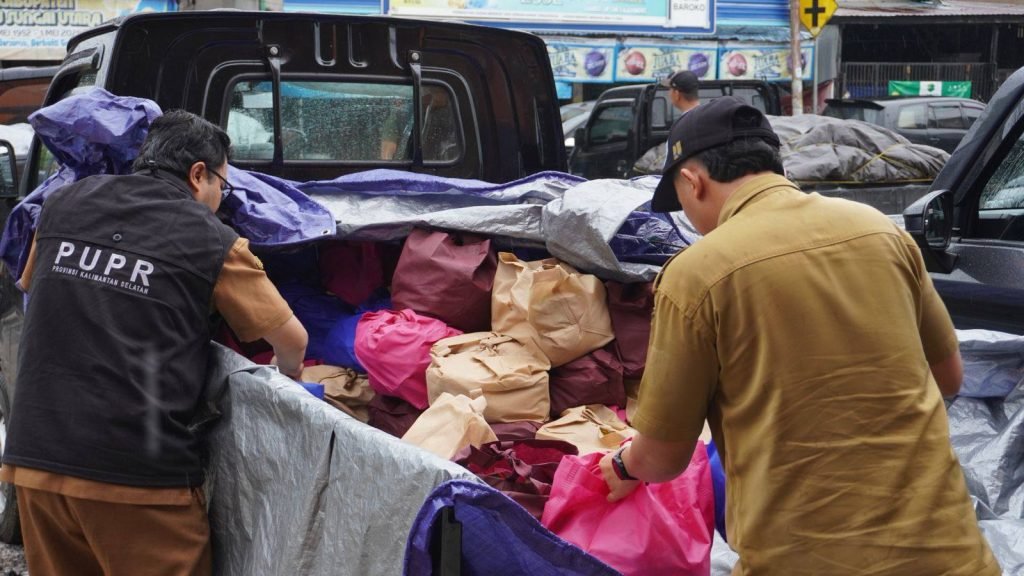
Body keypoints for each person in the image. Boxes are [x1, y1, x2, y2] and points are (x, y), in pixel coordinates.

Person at [600, 96, 999, 575]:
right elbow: (949, 378)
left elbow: (663, 459)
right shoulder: (881, 231)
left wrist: (622, 465)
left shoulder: (697, 274)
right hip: (952, 556)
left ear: (693, 181)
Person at [1, 110, 309, 576]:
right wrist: (291, 383)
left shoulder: (63, 204)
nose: (221, 199)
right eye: (223, 186)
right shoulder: (214, 241)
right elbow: (292, 340)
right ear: (198, 174)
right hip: (137, 477)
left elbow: (34, 288)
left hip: (36, 460)